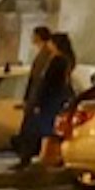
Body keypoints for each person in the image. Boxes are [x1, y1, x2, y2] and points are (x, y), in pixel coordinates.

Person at [16, 31, 77, 165]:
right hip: (54, 99)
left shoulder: (57, 60)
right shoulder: (65, 59)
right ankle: (48, 157)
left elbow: (47, 82)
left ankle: (43, 158)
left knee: (40, 129)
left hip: (49, 100)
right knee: (49, 130)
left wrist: (37, 101)